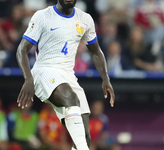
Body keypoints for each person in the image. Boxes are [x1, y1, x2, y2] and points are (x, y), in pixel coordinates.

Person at [16, 1, 115, 150]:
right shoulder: (42, 16)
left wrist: (106, 78)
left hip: (68, 74)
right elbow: (21, 49)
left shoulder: (85, 19)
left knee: (84, 137)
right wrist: (28, 78)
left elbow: (95, 51)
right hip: (44, 70)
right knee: (70, 97)